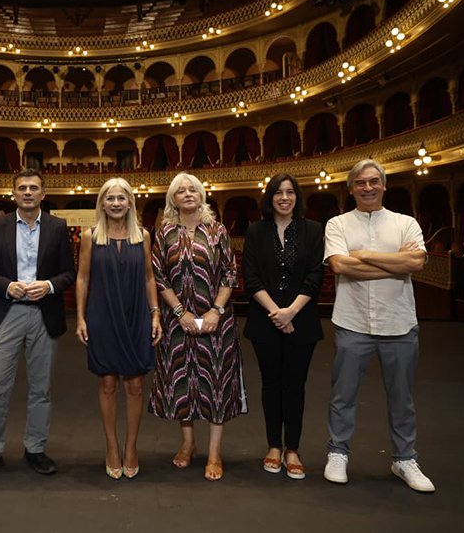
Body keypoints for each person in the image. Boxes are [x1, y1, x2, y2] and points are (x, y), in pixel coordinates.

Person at [322, 159, 435, 493]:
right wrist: (394, 264)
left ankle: (404, 458)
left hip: (398, 322)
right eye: (360, 182)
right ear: (351, 188)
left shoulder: (405, 223)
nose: (367, 187)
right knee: (343, 395)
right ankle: (337, 452)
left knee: (402, 397)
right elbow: (341, 266)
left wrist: (365, 255)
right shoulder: (338, 224)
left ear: (384, 185)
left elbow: (416, 262)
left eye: (373, 181)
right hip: (352, 321)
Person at [0, 168, 76, 480]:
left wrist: (49, 285)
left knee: (40, 389)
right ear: (14, 194)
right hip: (7, 312)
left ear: (43, 194)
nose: (28, 193)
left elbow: (68, 273)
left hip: (44, 313)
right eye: (22, 188)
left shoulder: (58, 227)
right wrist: (6, 285)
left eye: (33, 188)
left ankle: (35, 449)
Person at [150, 172, 246, 482]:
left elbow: (230, 274)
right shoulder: (164, 233)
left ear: (201, 196)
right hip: (178, 322)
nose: (188, 194)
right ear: (173, 199)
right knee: (184, 382)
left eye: (193, 189)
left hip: (217, 321)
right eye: (181, 191)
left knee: (215, 383)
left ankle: (215, 451)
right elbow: (158, 276)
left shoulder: (217, 231)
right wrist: (180, 312)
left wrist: (216, 310)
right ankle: (188, 443)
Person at [75, 178, 162, 480]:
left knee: (135, 385)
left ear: (130, 203)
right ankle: (112, 446)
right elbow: (83, 278)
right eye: (109, 198)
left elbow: (150, 278)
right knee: (108, 384)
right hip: (102, 315)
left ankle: (131, 447)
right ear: (101, 203)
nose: (115, 203)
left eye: (120, 198)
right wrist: (81, 318)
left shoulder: (144, 236)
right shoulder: (90, 236)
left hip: (136, 315)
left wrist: (155, 314)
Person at [242, 173, 324, 480]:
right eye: (278, 192)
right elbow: (250, 278)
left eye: (290, 192)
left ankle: (293, 449)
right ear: (270, 197)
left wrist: (291, 312)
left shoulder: (313, 230)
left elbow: (315, 276)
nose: (284, 197)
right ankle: (274, 446)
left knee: (295, 385)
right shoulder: (255, 231)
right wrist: (277, 313)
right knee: (270, 384)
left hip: (302, 319)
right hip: (266, 320)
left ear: (297, 197)